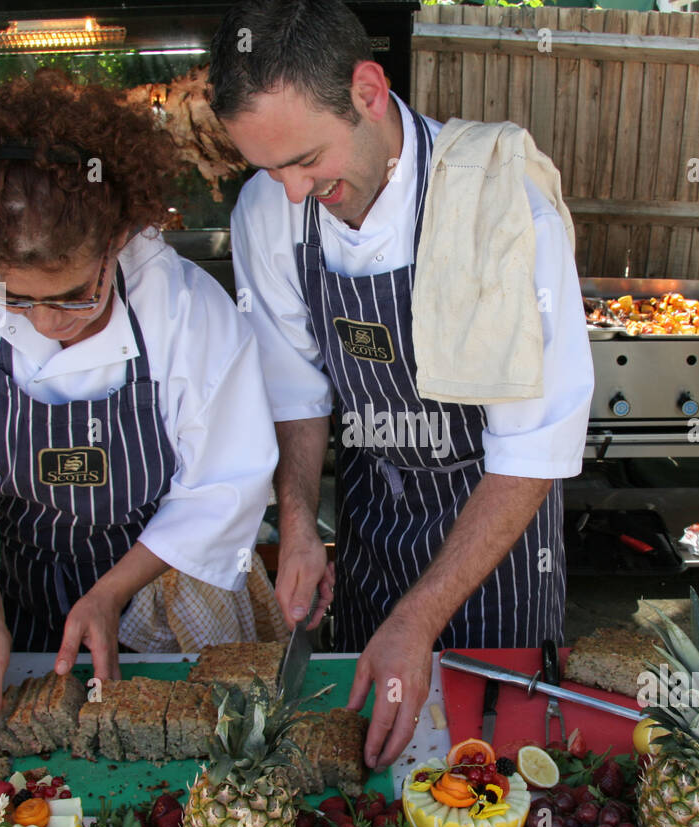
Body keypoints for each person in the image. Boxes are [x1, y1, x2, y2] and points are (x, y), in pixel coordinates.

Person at [210, 0, 593, 769]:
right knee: (365, 766)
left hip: (499, 540)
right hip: (374, 520)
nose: (289, 192)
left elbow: (532, 447)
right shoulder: (270, 210)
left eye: (305, 160)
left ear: (368, 92)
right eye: (268, 169)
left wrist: (419, 620)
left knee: (495, 770)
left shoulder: (501, 202)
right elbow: (297, 392)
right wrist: (297, 524)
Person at [0, 70, 277, 749]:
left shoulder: (183, 309)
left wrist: (110, 592)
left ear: (117, 237)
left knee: (181, 758)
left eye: (69, 297)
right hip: (10, 587)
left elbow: (224, 484)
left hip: (164, 591)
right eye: (16, 298)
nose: (43, 324)